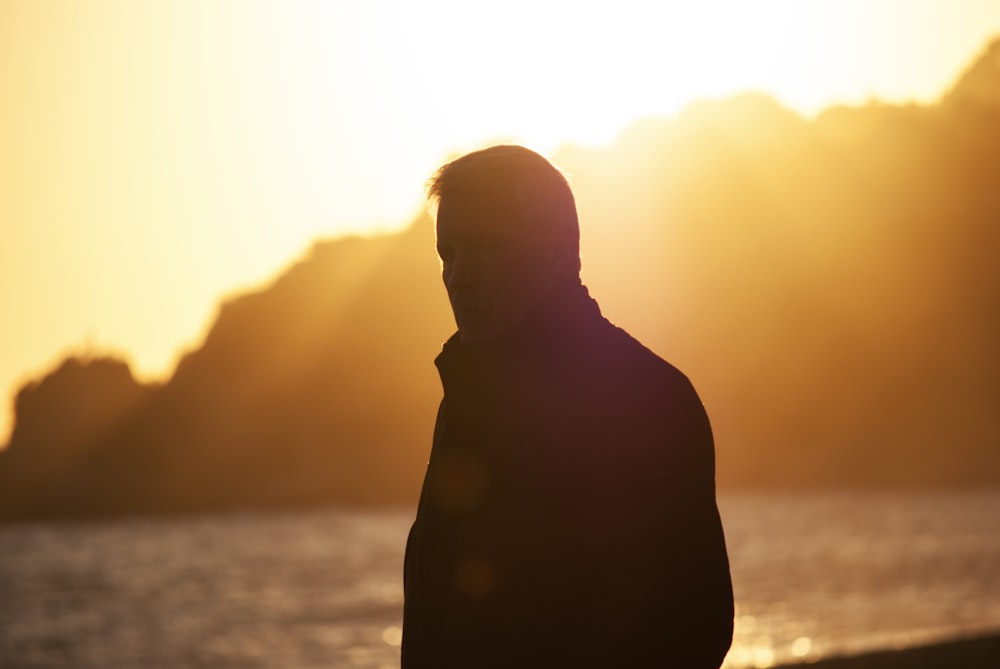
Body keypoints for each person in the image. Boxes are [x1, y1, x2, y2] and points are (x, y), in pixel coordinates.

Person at [402, 145, 733, 668]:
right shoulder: (465, 400)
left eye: (485, 248)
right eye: (448, 255)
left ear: (555, 251)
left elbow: (695, 625)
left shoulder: (646, 399)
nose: (458, 277)